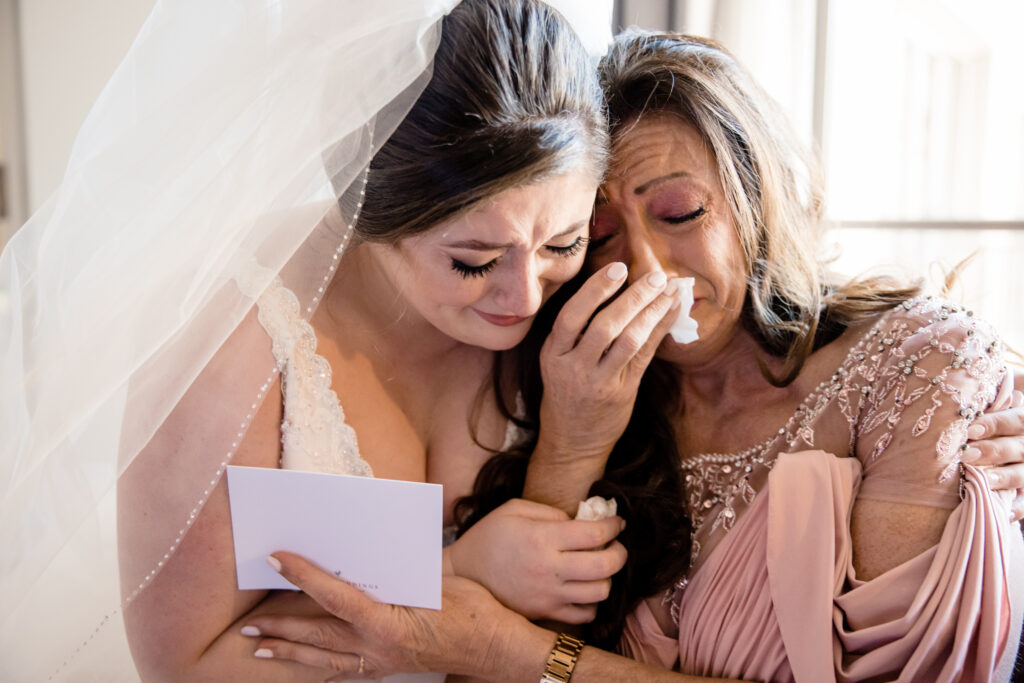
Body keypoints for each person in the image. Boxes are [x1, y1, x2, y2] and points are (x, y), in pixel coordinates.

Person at [239, 29, 1024, 682]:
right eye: (597, 239)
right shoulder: (549, 382)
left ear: (757, 191)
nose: (647, 272)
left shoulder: (921, 368)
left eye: (680, 211)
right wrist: (571, 445)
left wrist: (516, 652)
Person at [0, 1, 672, 680]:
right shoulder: (231, 333)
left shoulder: (581, 307)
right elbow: (185, 664)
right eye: (472, 259)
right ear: (374, 207)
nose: (526, 295)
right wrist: (450, 573)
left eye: (563, 241)